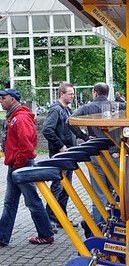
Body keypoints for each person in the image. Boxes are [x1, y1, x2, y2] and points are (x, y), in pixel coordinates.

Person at [0, 88, 55, 246]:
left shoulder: (20, 118)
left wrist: (17, 163)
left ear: (13, 99)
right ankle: (2, 236)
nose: (1, 100)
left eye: (4, 98)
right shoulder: (14, 117)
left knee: (32, 201)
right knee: (10, 202)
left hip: (20, 165)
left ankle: (46, 234)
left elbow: (26, 145)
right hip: (17, 164)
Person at [69, 82, 118, 225]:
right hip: (115, 154)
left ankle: (99, 226)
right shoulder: (117, 107)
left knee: (99, 193)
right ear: (107, 93)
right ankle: (114, 223)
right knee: (114, 190)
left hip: (96, 154)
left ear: (95, 92)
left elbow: (69, 121)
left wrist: (84, 137)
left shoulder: (87, 107)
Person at [42, 82, 82, 231]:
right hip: (61, 155)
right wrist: (60, 146)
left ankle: (61, 218)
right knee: (58, 186)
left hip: (69, 154)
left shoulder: (67, 109)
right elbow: (47, 130)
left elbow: (73, 127)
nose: (72, 96)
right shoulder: (56, 110)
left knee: (67, 187)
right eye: (70, 94)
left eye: (73, 94)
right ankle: (50, 220)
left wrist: (85, 137)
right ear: (62, 94)